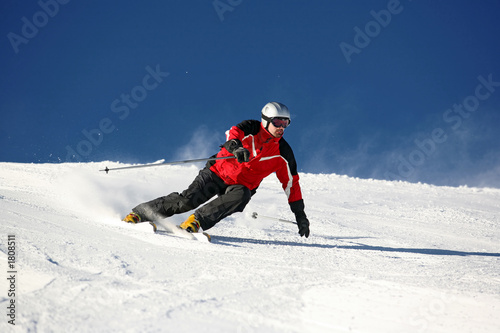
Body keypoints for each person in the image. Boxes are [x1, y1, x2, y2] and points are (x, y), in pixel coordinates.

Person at [123, 102, 310, 238]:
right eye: (277, 122)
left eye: (286, 123)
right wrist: (235, 148)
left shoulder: (283, 153)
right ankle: (140, 213)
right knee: (186, 201)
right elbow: (232, 133)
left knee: (242, 195)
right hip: (217, 173)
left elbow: (292, 185)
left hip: (239, 186)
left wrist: (300, 215)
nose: (281, 127)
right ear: (266, 121)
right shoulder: (250, 127)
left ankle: (196, 222)